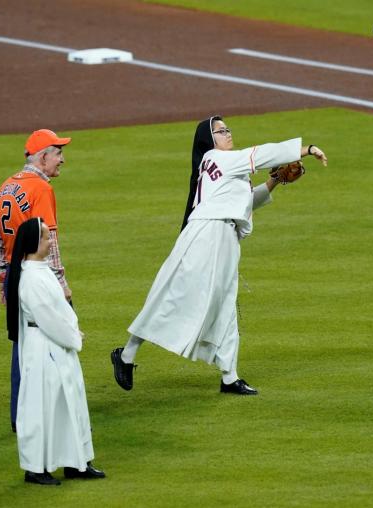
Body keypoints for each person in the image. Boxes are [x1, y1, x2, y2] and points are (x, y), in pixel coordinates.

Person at [111, 115, 327, 395]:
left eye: (228, 129)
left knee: (225, 303)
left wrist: (274, 181)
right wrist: (306, 149)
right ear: (208, 140)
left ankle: (229, 376)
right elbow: (260, 154)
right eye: (220, 131)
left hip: (224, 237)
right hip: (205, 235)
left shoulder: (227, 167)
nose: (227, 134)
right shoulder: (217, 157)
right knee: (174, 295)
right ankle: (126, 355)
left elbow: (243, 204)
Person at [7, 217, 105, 485]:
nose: (52, 241)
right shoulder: (31, 277)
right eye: (47, 237)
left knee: (70, 402)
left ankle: (77, 462)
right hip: (45, 347)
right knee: (42, 406)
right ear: (34, 242)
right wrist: (73, 336)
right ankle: (36, 468)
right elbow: (46, 316)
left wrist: (71, 331)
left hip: (56, 345)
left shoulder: (41, 270)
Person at [0, 128, 73, 432]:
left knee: (21, 343)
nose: (62, 159)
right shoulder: (41, 189)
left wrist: (2, 279)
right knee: (50, 340)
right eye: (58, 153)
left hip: (13, 275)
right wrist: (62, 286)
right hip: (36, 275)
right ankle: (49, 413)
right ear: (43, 156)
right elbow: (49, 241)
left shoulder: (7, 186)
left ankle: (18, 415)